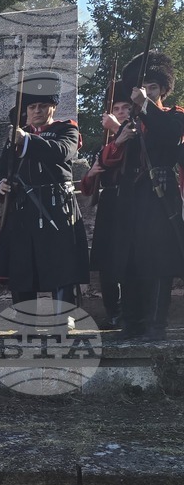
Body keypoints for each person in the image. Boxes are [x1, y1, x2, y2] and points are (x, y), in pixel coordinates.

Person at [0, 72, 89, 308]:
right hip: (23, 211)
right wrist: (1, 186)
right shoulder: (15, 137)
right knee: (23, 268)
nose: (36, 111)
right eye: (32, 106)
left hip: (56, 207)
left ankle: (63, 317)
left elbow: (61, 151)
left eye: (42, 105)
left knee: (61, 264)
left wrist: (26, 141)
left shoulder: (66, 129)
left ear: (53, 106)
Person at [107, 53, 184, 339]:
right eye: (142, 88)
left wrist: (145, 105)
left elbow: (170, 137)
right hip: (131, 198)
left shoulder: (174, 115)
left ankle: (154, 324)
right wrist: (119, 139)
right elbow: (109, 164)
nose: (146, 92)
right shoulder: (130, 123)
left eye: (152, 87)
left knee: (158, 261)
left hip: (159, 195)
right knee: (129, 260)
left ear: (163, 89)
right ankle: (132, 323)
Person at [80, 80, 132, 330]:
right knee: (107, 262)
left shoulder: (137, 137)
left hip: (131, 202)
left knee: (130, 259)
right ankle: (113, 312)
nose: (121, 112)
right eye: (117, 109)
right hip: (110, 205)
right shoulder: (103, 145)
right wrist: (90, 174)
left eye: (126, 108)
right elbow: (89, 186)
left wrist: (119, 129)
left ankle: (130, 312)